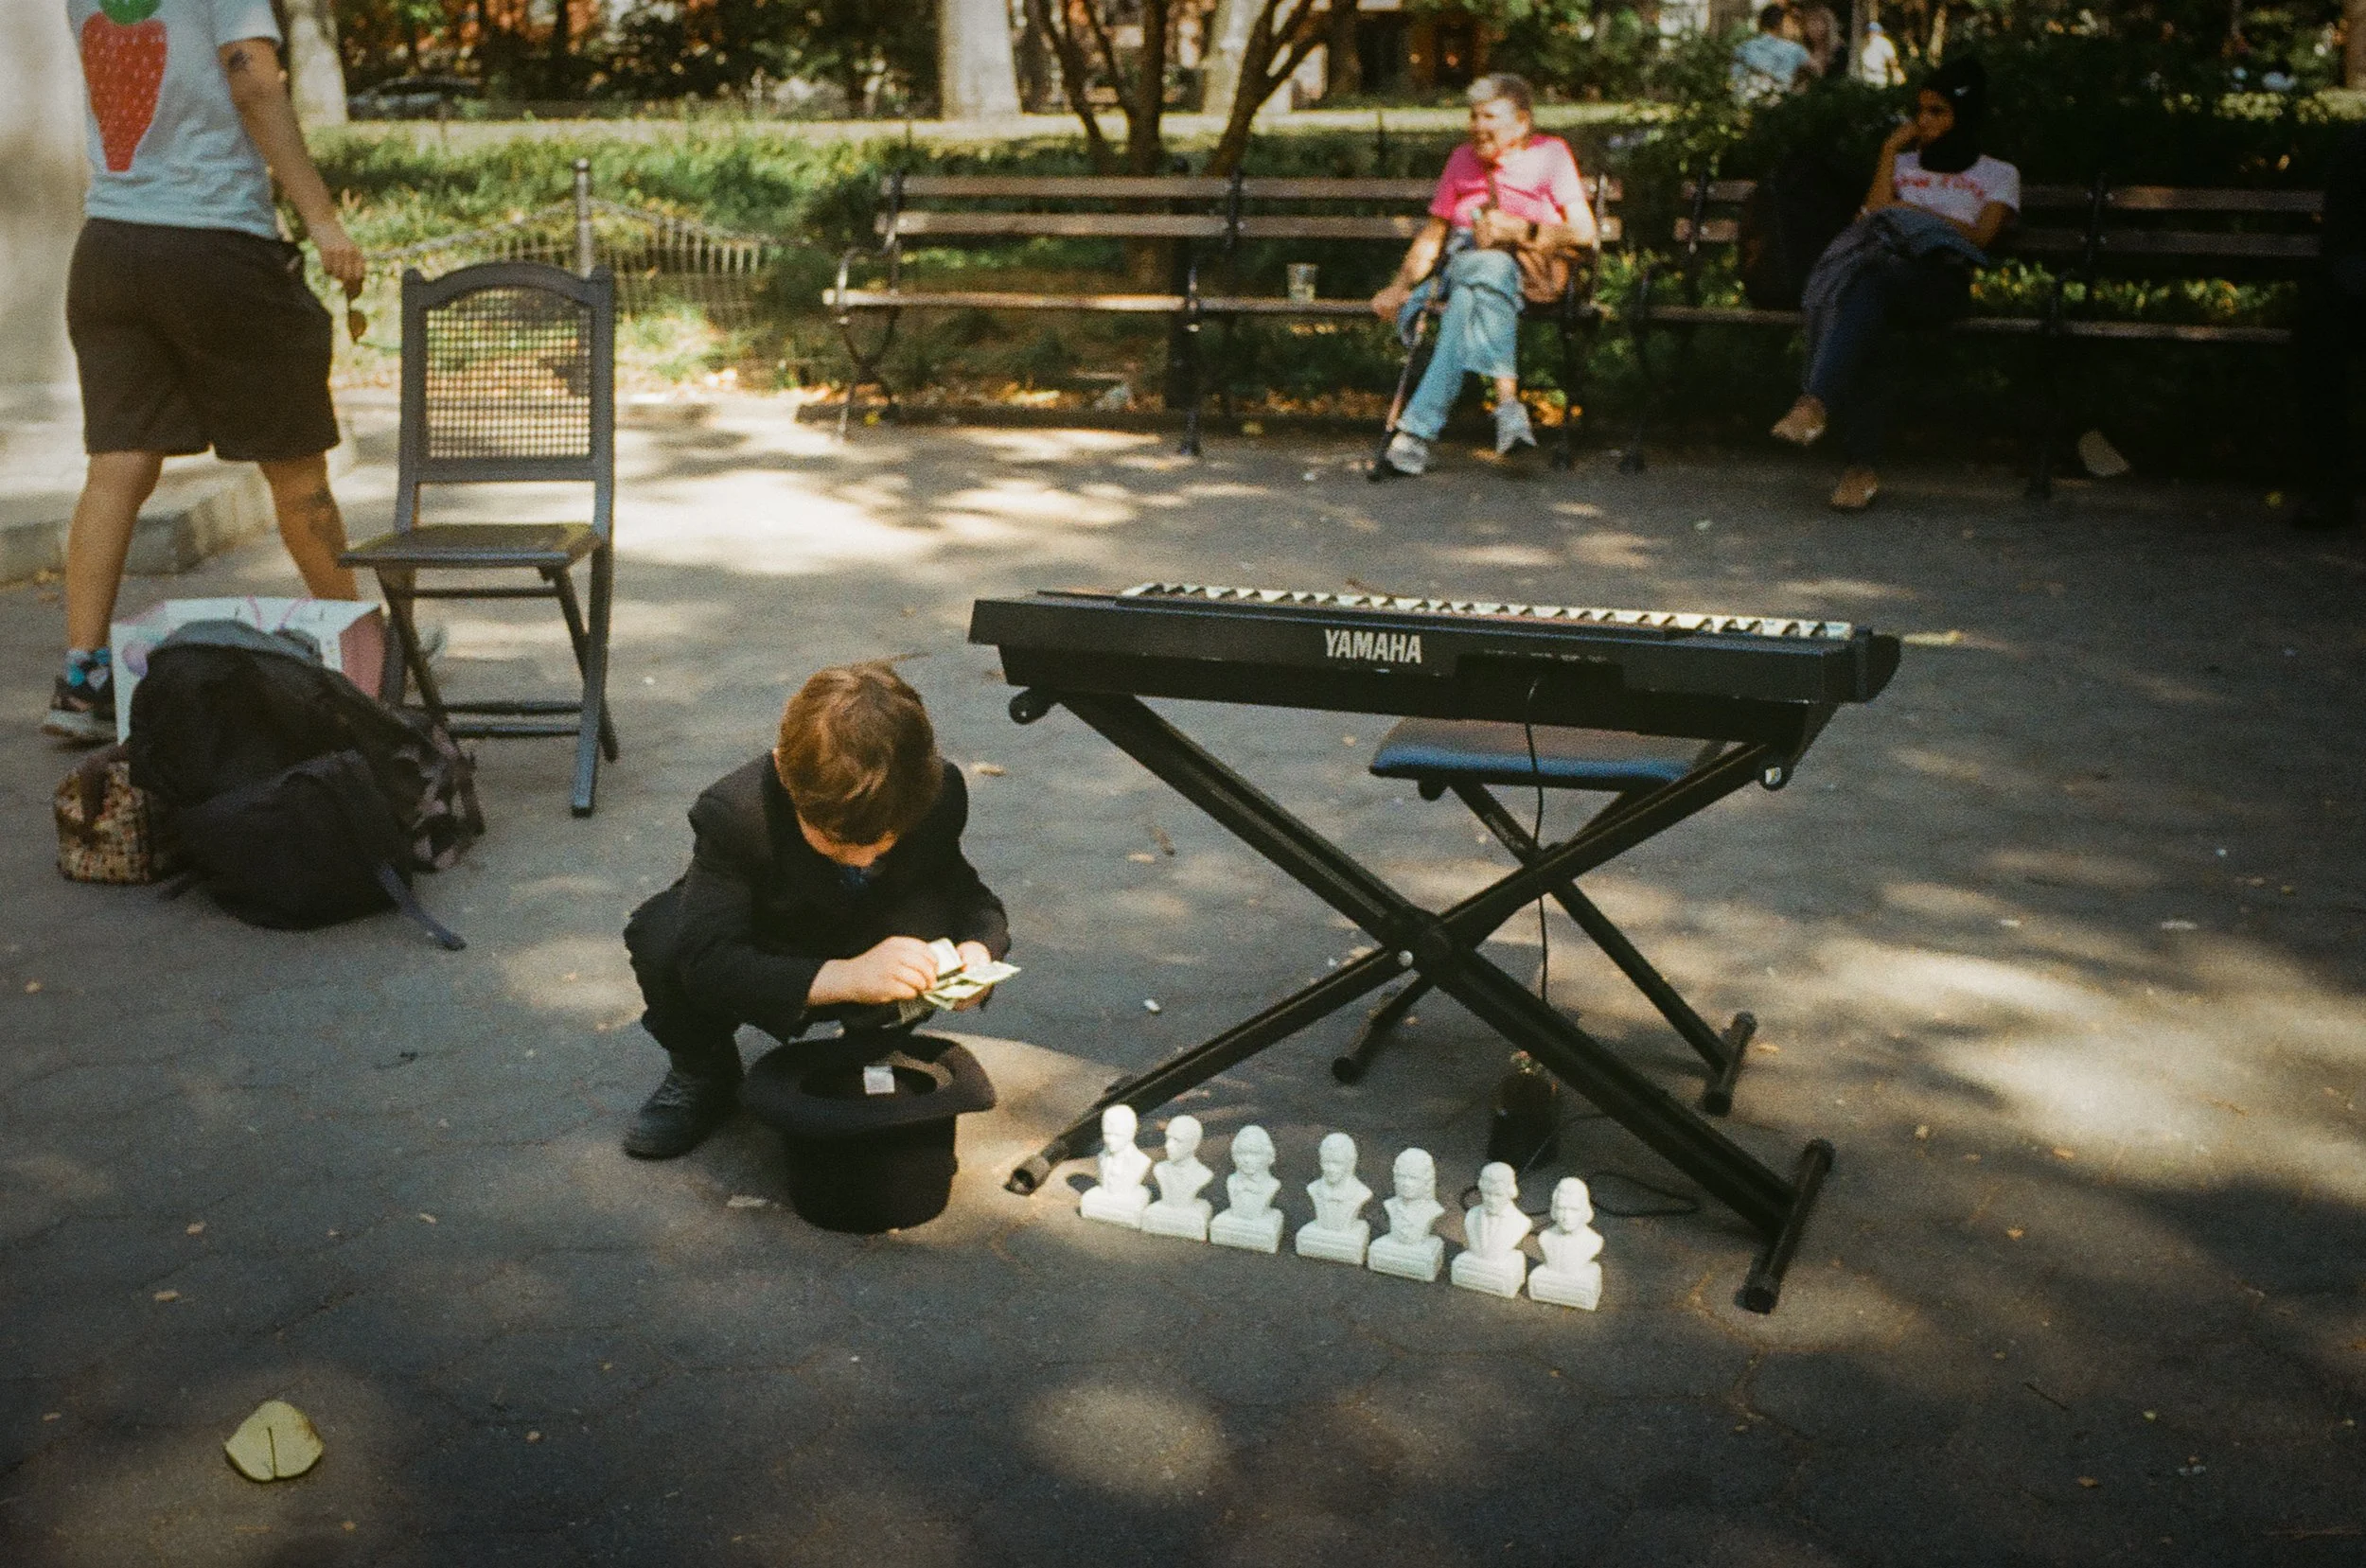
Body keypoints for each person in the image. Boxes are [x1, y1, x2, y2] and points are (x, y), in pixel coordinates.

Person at [46, 0, 367, 743]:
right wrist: (320, 217)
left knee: (117, 464)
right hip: (214, 242)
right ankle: (362, 658)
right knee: (296, 473)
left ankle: (81, 678)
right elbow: (252, 78)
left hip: (111, 245)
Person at [618, 663, 1011, 1159]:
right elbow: (708, 958)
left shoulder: (938, 792)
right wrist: (845, 978)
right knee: (660, 937)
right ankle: (703, 1070)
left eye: (884, 840)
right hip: (772, 937)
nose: (865, 857)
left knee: (930, 923)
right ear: (783, 770)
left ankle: (874, 1038)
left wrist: (979, 951)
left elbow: (967, 896)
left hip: (875, 926)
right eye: (837, 840)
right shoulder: (735, 813)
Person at [1770, 57, 2018, 510]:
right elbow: (1870, 217)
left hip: (1941, 282)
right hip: (1883, 276)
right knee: (1872, 307)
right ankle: (1857, 469)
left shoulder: (1997, 174)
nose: (1923, 122)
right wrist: (1887, 152)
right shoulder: (1902, 163)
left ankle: (1816, 406)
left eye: (1937, 111)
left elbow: (1982, 235)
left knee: (1869, 289)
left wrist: (1917, 215)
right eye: (1919, 110)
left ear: (1965, 115)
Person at [1368, 73, 1598, 478]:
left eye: (1488, 116)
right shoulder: (1461, 159)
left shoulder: (1552, 154)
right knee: (1485, 267)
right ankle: (1508, 405)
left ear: (1522, 123)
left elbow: (1584, 232)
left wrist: (1519, 229)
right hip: (1462, 263)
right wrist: (1400, 286)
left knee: (1469, 297)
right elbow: (1435, 235)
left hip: (1527, 277)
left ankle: (1416, 436)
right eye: (1473, 116)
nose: (1477, 126)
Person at [2290, 125, 2365, 531]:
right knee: (2317, 332)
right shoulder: (2359, 146)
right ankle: (2332, 490)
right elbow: (2340, 242)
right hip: (2357, 297)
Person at [1731, 6, 1814, 104]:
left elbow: (1736, 79)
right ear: (1781, 23)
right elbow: (1813, 73)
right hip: (1783, 105)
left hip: (1750, 103)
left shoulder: (1743, 48)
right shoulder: (1796, 50)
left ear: (1760, 23)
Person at [1797, 5, 1843, 79]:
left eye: (1817, 22)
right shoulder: (1802, 50)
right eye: (1809, 23)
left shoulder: (1838, 51)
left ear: (1828, 25)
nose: (1813, 28)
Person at [1858, 20, 1905, 87]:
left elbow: (1891, 59)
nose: (1871, 34)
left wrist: (1896, 71)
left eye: (1873, 32)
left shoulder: (1884, 42)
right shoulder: (1865, 44)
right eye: (1870, 32)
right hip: (1867, 75)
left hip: (1879, 76)